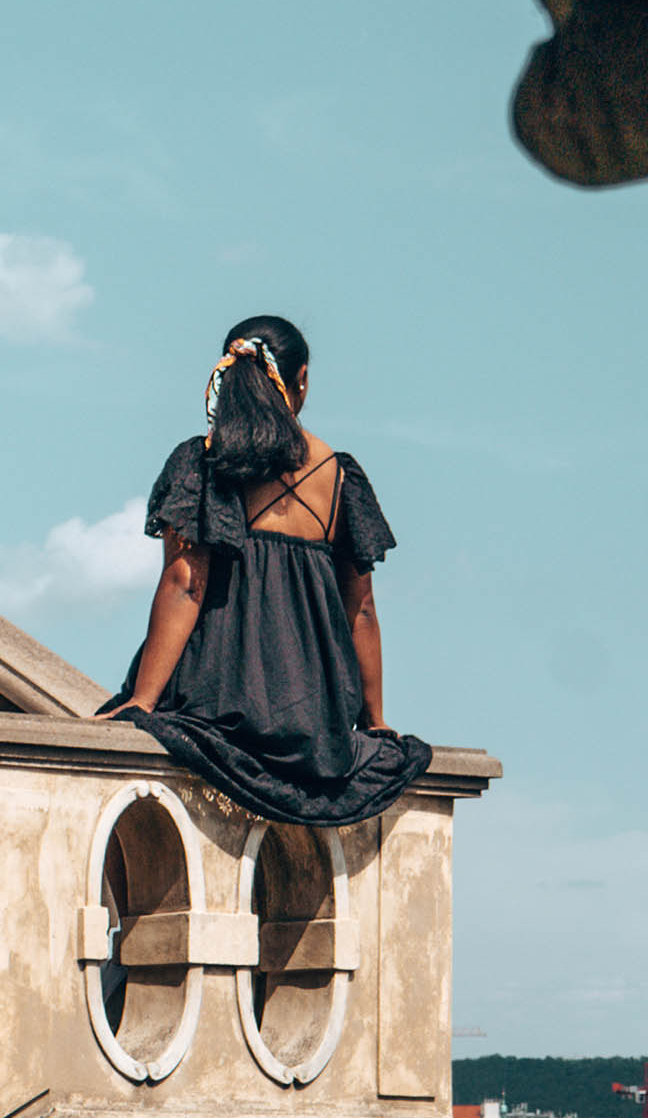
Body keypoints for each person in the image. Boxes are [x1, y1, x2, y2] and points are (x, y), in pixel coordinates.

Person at [102, 314, 430, 826]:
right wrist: (375, 719)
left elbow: (185, 583)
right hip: (311, 718)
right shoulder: (339, 476)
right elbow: (360, 610)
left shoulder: (206, 462)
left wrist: (143, 700)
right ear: (301, 381)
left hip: (217, 699)